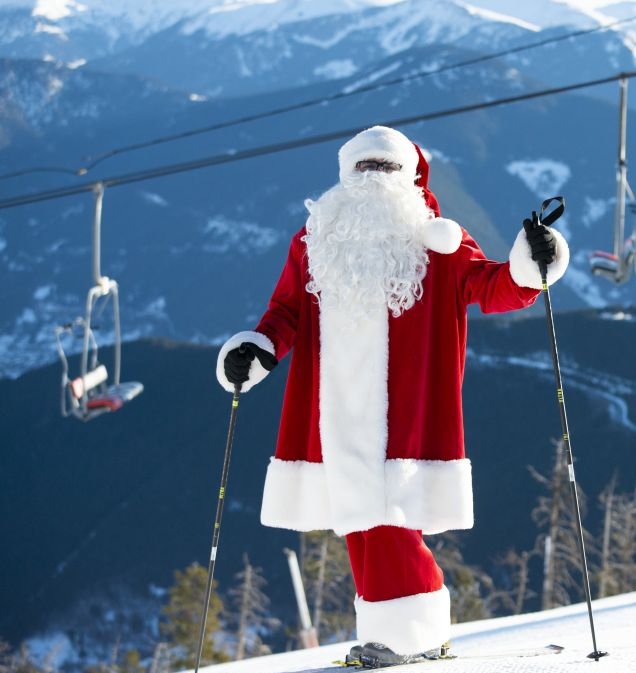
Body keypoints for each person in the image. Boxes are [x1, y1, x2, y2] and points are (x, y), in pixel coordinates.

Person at [215, 125, 568, 665]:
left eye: (385, 168)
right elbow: (286, 310)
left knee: (384, 519)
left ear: (411, 178)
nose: (373, 180)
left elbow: (494, 287)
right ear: (344, 175)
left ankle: (403, 639)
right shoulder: (314, 240)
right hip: (332, 409)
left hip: (406, 413)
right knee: (362, 523)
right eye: (363, 168)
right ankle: (411, 633)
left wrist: (533, 262)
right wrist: (257, 349)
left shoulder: (440, 242)